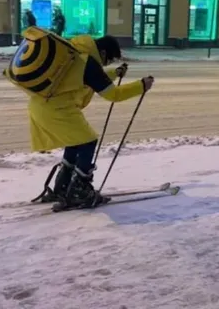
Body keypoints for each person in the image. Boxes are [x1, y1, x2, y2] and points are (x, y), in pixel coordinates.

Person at [11, 31, 154, 209]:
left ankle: (63, 186)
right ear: (102, 53)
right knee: (89, 141)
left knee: (77, 140)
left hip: (42, 105)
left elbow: (89, 79)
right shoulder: (89, 64)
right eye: (108, 60)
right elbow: (113, 94)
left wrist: (114, 73)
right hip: (57, 109)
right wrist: (141, 86)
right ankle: (78, 191)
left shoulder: (76, 53)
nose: (106, 64)